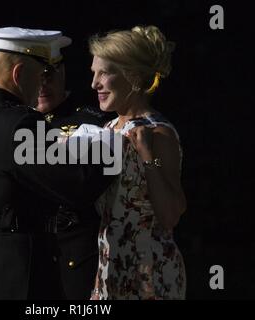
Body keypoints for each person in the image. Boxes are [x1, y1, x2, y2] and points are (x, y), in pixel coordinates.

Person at [0, 27, 112, 300]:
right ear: (19, 75)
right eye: (41, 74)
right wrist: (108, 143)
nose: (43, 84)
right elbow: (80, 185)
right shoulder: (20, 125)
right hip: (16, 279)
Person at [86, 25, 187, 300]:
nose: (94, 83)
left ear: (132, 77)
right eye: (94, 73)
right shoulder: (106, 129)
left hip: (150, 275)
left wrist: (146, 156)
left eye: (104, 73)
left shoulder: (158, 132)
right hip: (109, 269)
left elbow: (170, 215)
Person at [36, 56, 114, 299]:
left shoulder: (93, 121)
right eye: (36, 77)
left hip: (76, 255)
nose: (42, 86)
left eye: (49, 76)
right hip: (26, 254)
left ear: (63, 71)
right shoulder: (14, 122)